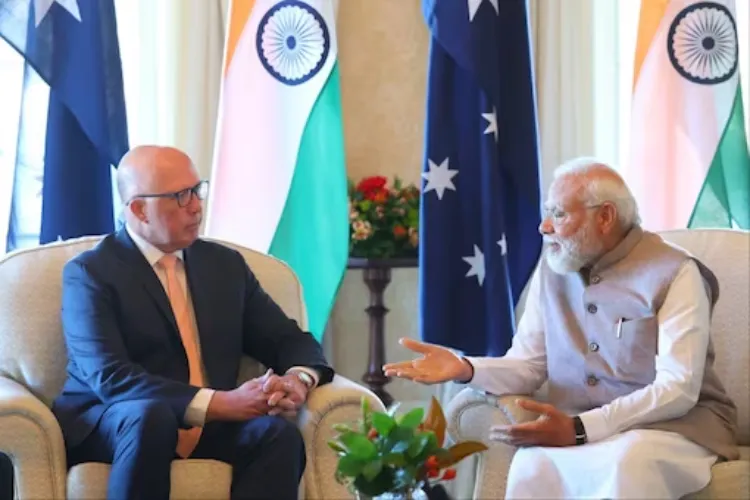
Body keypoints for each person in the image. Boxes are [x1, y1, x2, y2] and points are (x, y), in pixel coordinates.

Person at [384, 157, 739, 499]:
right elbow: (529, 366)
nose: (545, 226)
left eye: (559, 213)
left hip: (676, 428)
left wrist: (582, 429)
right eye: (547, 212)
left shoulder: (676, 272)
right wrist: (466, 368)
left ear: (605, 217)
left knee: (627, 463)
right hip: (581, 428)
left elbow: (678, 388)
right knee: (533, 465)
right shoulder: (554, 269)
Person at [52, 145, 334, 500]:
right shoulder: (90, 273)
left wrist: (298, 378)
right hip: (114, 422)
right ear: (139, 208)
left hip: (208, 426)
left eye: (196, 190)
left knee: (278, 436)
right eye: (180, 196)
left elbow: (287, 339)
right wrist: (220, 403)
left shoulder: (224, 266)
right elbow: (110, 378)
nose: (196, 206)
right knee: (150, 417)